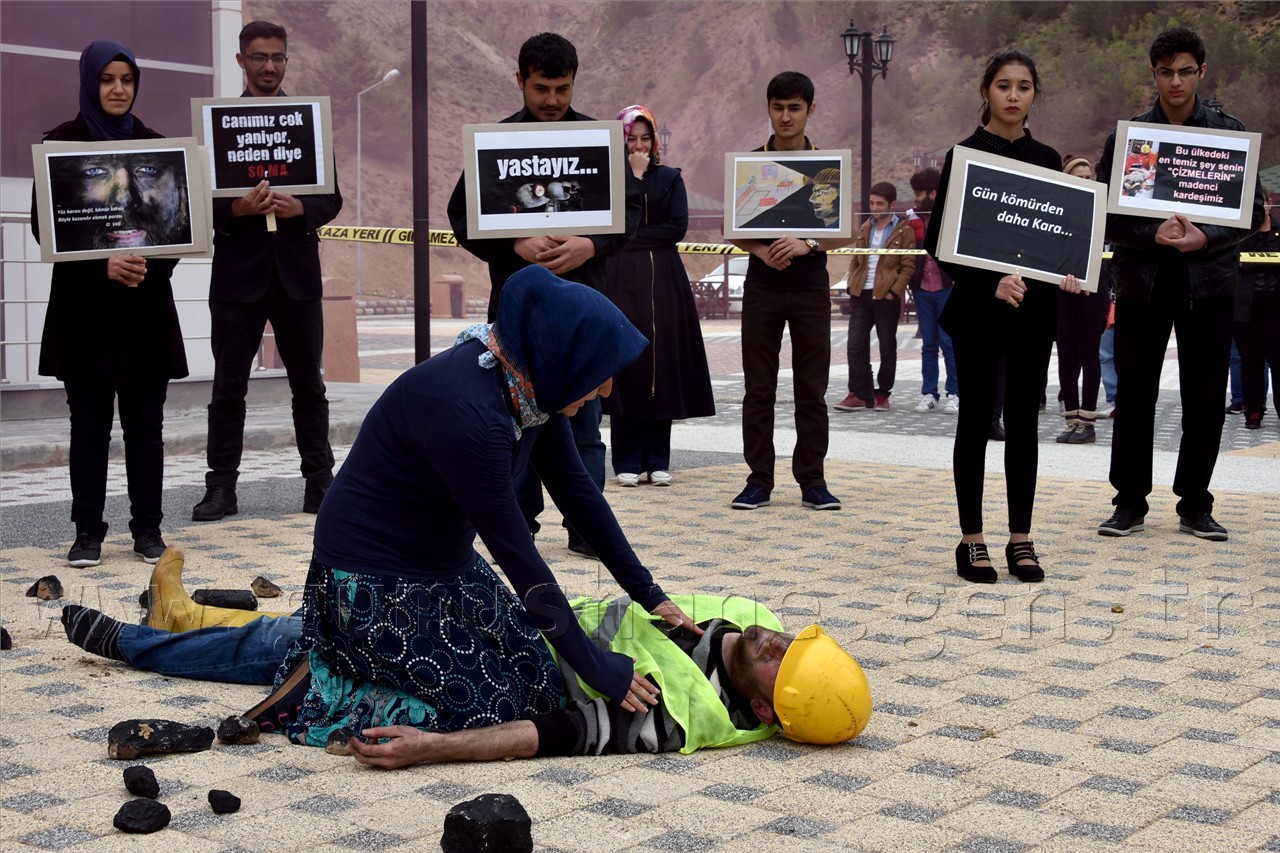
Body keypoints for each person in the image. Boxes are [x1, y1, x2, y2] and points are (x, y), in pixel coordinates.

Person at [59, 545, 874, 764]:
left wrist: (432, 751)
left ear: (767, 709)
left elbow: (546, 733)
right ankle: (180, 615)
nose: (776, 640)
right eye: (794, 639)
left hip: (493, 661)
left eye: (783, 661)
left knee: (302, 642)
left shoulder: (680, 721)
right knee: (321, 622)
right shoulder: (753, 616)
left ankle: (141, 640)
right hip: (528, 614)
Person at [446, 32, 641, 558]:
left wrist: (590, 244)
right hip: (516, 312)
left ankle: (585, 531)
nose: (552, 100)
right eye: (540, 89)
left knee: (584, 425)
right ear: (519, 81)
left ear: (575, 82)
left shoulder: (597, 141)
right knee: (514, 422)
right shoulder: (496, 143)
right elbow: (461, 216)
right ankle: (516, 526)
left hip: (583, 307)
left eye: (561, 88)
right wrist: (514, 239)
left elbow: (631, 213)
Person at [1096, 27, 1266, 541]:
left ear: (1202, 72)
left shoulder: (1228, 135)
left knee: (1207, 396)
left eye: (1185, 71)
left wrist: (1206, 237)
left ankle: (1196, 502)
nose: (1176, 81)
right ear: (1154, 73)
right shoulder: (1129, 140)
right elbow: (1108, 216)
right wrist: (1154, 233)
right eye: (1166, 71)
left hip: (1210, 285)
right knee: (1136, 395)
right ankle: (1129, 502)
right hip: (1142, 286)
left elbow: (1252, 212)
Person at [923, 49, 1083, 585]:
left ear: (1035, 94)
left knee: (1024, 423)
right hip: (978, 309)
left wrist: (1066, 269)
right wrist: (988, 279)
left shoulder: (1047, 157)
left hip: (1033, 312)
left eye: (1024, 86)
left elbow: (1057, 236)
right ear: (986, 91)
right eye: (1003, 86)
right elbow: (938, 240)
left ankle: (1021, 537)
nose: (1014, 95)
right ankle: (971, 540)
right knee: (975, 421)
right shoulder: (964, 155)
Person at [33, 40, 188, 568]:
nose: (118, 89)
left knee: (147, 427)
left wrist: (146, 265)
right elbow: (45, 229)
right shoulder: (60, 145)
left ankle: (148, 530)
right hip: (85, 315)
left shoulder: (156, 147)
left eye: (126, 79)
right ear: (89, 83)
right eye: (107, 79)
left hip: (144, 311)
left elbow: (174, 229)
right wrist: (103, 266)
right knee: (90, 427)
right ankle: (87, 533)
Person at [192, 20, 343, 523]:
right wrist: (233, 211)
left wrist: (302, 208)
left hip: (297, 276)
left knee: (310, 386)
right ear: (241, 61)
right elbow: (197, 205)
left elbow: (332, 198)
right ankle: (221, 489)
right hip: (238, 277)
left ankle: (320, 483)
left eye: (278, 57)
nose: (270, 67)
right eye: (259, 57)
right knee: (228, 388)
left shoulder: (308, 123)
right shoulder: (218, 126)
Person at [729, 72, 851, 512]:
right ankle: (759, 480)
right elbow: (734, 229)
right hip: (762, 287)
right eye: (778, 107)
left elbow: (843, 229)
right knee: (758, 390)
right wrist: (762, 251)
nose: (785, 116)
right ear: (768, 108)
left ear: (810, 110)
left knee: (811, 390)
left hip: (809, 288)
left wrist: (809, 243)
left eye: (795, 108)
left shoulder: (826, 166)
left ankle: (812, 481)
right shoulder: (750, 165)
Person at [603, 105, 715, 487]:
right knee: (627, 362)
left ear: (654, 141)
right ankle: (627, 461)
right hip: (621, 280)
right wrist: (633, 180)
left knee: (661, 363)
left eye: (645, 139)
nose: (638, 146)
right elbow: (616, 223)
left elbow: (676, 228)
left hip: (665, 281)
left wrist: (632, 238)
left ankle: (658, 458)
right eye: (631, 139)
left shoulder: (670, 178)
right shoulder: (611, 179)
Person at [834, 181, 916, 413]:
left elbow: (908, 266)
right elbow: (855, 259)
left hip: (885, 296)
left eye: (880, 204)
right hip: (860, 295)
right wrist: (851, 283)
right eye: (872, 203)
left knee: (887, 347)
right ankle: (858, 393)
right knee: (854, 345)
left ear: (892, 204)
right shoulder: (865, 228)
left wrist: (893, 292)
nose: (875, 208)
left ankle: (882, 394)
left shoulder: (904, 230)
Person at [1054, 155, 1110, 445]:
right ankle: (1072, 419)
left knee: (1089, 354)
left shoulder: (1101, 209)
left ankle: (1088, 421)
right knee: (1066, 356)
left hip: (1093, 289)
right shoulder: (1055, 210)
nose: (1085, 182)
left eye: (1088, 177)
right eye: (1078, 177)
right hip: (1062, 289)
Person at [48, 148, 191, 251]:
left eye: (147, 170)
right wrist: (99, 269)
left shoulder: (157, 140)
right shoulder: (61, 140)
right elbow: (44, 229)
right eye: (95, 172)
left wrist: (153, 268)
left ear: (182, 184)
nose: (124, 199)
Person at [904, 168, 959, 415]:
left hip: (946, 289)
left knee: (949, 343)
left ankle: (955, 393)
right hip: (922, 289)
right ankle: (929, 393)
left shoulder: (951, 216)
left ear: (933, 192)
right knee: (928, 344)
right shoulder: (911, 220)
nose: (915, 198)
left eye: (919, 193)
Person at [1234, 207, 1279, 429]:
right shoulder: (1241, 232)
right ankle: (1253, 410)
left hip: (1276, 305)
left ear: (1270, 205)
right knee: (1251, 361)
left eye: (1264, 203)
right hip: (1247, 306)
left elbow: (1248, 264)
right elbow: (1238, 263)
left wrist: (1253, 262)